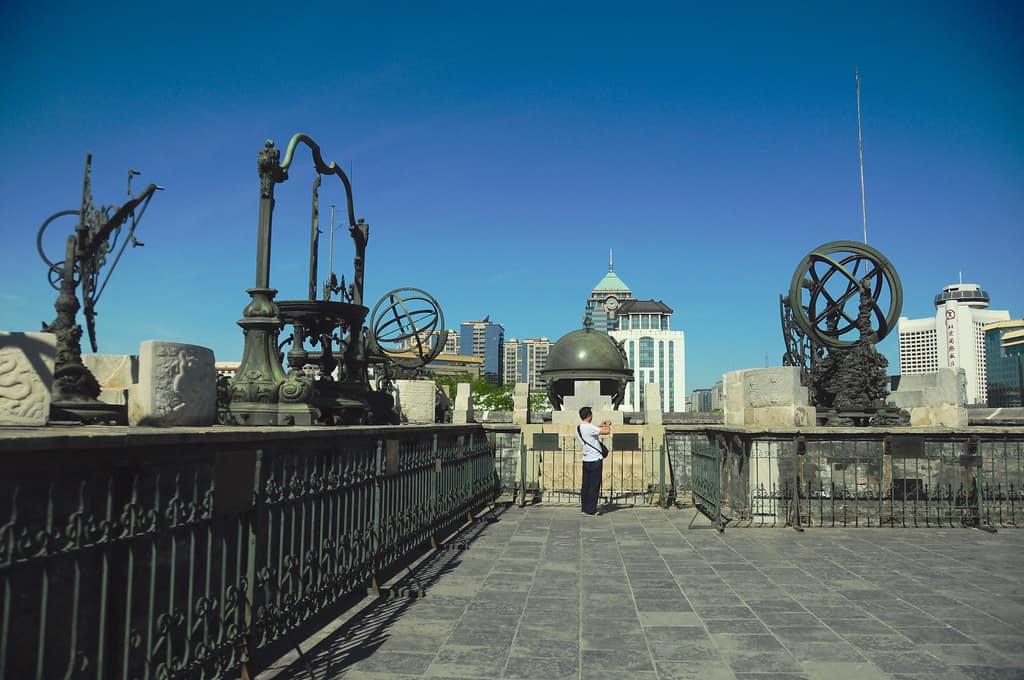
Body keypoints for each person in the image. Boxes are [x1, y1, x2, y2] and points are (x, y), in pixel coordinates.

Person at [577, 406, 611, 516]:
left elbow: (592, 430)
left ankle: (584, 508)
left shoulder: (579, 428)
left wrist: (600, 425)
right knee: (594, 485)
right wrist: (607, 424)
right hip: (595, 460)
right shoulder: (590, 428)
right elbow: (606, 432)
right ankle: (591, 509)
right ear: (589, 416)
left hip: (586, 459)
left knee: (585, 485)